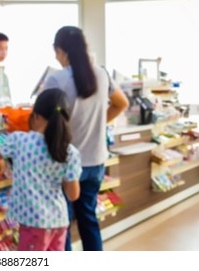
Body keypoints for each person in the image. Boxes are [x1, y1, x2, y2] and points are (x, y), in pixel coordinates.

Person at [43, 26, 129, 251]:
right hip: (96, 162)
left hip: (65, 165)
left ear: (60, 50)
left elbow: (43, 123)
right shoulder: (101, 73)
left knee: (63, 224)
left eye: (56, 52)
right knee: (88, 219)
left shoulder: (57, 79)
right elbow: (122, 103)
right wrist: (99, 122)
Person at [0, 88, 81, 251]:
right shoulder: (69, 152)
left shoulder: (18, 140)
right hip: (59, 221)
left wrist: (5, 162)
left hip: (33, 224)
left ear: (36, 116)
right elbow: (73, 195)